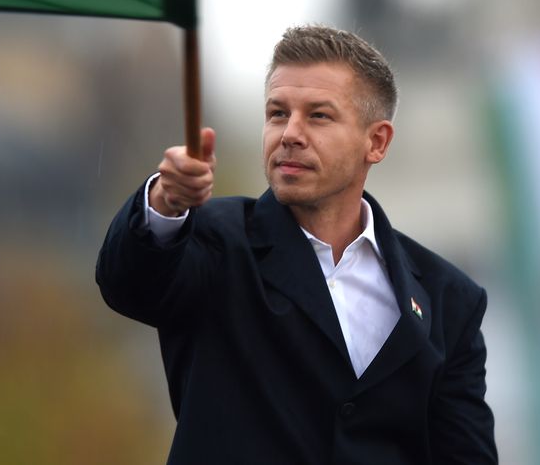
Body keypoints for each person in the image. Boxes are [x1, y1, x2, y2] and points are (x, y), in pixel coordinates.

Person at [97, 25, 497, 464]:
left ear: (376, 141)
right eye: (277, 113)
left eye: (318, 116)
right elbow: (129, 284)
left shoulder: (449, 300)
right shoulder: (212, 239)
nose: (290, 133)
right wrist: (165, 200)